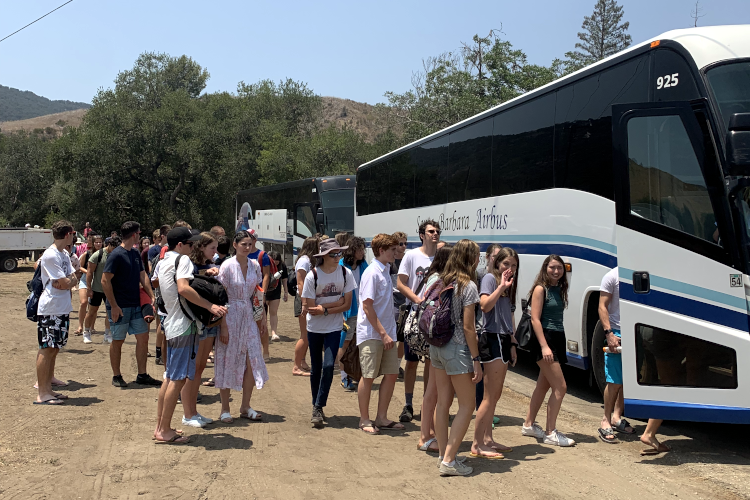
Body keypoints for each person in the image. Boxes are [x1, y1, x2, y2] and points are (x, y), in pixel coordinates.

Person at [154, 227, 227, 443]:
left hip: (171, 323)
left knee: (169, 378)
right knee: (177, 379)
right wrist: (211, 306)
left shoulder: (164, 261)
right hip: (184, 325)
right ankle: (164, 430)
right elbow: (184, 288)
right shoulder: (183, 260)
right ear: (180, 245)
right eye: (189, 243)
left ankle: (161, 427)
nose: (192, 246)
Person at [432, 239, 483, 476]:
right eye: (477, 255)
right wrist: (476, 359)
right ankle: (449, 461)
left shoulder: (442, 280)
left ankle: (444, 454)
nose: (479, 260)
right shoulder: (469, 286)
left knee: (443, 402)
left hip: (438, 347)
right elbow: (469, 327)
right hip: (458, 349)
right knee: (467, 404)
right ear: (470, 258)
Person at [215, 230, 269, 423]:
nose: (247, 247)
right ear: (235, 245)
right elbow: (220, 296)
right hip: (230, 316)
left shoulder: (254, 265)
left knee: (252, 361)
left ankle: (245, 406)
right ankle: (224, 408)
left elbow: (257, 293)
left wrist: (261, 317)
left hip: (248, 315)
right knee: (227, 360)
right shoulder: (227, 266)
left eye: (250, 244)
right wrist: (222, 325)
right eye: (243, 244)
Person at [302, 238, 356, 428]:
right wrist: (335, 304)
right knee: (316, 368)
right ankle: (316, 406)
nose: (337, 257)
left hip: (334, 327)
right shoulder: (313, 276)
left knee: (328, 366)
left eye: (339, 253)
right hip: (314, 328)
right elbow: (310, 307)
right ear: (323, 256)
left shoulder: (345, 273)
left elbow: (347, 304)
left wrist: (324, 309)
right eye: (333, 254)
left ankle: (318, 405)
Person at [522, 254, 575, 447]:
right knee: (560, 387)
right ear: (545, 268)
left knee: (543, 386)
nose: (556, 271)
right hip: (545, 338)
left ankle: (528, 424)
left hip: (557, 337)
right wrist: (544, 346)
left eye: (559, 268)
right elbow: (535, 319)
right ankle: (550, 432)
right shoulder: (540, 288)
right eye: (552, 267)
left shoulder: (559, 288)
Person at [472, 247, 520, 458]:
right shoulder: (491, 279)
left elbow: (507, 314)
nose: (509, 269)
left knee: (496, 394)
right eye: (506, 264)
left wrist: (512, 341)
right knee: (489, 396)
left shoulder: (509, 284)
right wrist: (501, 286)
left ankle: (487, 438)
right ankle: (476, 443)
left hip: (503, 338)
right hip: (490, 337)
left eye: (514, 265)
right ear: (497, 263)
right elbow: (484, 306)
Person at [101, 221, 160, 388]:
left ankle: (142, 374)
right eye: (139, 233)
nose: (140, 235)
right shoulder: (116, 255)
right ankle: (117, 375)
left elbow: (143, 276)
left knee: (143, 338)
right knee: (118, 340)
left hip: (136, 304)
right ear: (134, 235)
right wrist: (113, 305)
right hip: (119, 306)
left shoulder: (135, 253)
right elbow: (105, 281)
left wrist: (151, 295)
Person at [356, 233, 404, 434]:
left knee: (391, 374)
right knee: (368, 376)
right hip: (372, 333)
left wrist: (388, 333)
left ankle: (382, 417)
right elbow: (367, 307)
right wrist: (383, 333)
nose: (397, 252)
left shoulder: (384, 270)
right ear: (381, 251)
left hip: (387, 332)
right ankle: (364, 419)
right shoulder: (372, 273)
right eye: (392, 249)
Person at [397, 219, 440, 423]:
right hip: (415, 316)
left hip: (434, 318)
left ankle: (427, 405)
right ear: (422, 234)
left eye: (437, 231)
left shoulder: (441, 258)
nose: (435, 234)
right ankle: (408, 404)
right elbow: (400, 283)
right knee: (412, 362)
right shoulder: (411, 256)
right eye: (431, 231)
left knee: (431, 364)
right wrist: (416, 299)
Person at [180, 232, 222, 428]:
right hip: (197, 320)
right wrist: (207, 274)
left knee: (201, 367)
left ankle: (194, 411)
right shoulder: (190, 264)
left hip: (210, 320)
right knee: (194, 369)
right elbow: (187, 285)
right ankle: (188, 414)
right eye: (212, 248)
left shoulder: (208, 264)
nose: (215, 252)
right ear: (201, 247)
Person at [34, 220, 78, 405]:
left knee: (55, 347)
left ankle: (49, 388)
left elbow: (72, 278)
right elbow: (63, 282)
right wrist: (68, 280)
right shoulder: (51, 255)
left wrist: (68, 280)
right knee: (47, 348)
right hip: (51, 308)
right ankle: (43, 392)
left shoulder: (64, 254)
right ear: (68, 234)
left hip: (61, 307)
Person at [416, 245, 452, 453]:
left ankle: (427, 432)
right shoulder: (439, 280)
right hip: (436, 337)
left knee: (432, 389)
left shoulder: (433, 276)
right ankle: (425, 435)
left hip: (431, 336)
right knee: (433, 391)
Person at [598, 266, 634, 442]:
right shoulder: (612, 276)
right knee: (614, 380)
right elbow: (602, 306)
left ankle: (617, 417)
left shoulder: (641, 273)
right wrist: (609, 334)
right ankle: (606, 419)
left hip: (635, 330)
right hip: (617, 332)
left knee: (627, 379)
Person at [339, 236, 367, 391]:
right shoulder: (342, 266)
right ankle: (344, 375)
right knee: (345, 342)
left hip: (362, 312)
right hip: (347, 312)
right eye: (360, 249)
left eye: (363, 249)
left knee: (359, 342)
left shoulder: (363, 265)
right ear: (352, 250)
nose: (363, 252)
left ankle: (354, 372)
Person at [292, 236, 318, 376]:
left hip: (308, 298)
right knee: (305, 335)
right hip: (303, 299)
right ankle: (296, 366)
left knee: (308, 333)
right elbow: (300, 283)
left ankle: (301, 361)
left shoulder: (309, 261)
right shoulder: (304, 261)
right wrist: (304, 303)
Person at [245, 229, 272, 361]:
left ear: (255, 240)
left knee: (261, 321)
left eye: (250, 238)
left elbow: (266, 275)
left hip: (257, 293)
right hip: (244, 293)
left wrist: (263, 292)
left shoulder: (262, 255)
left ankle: (265, 350)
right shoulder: (240, 253)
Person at [85, 236, 118, 343]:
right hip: (97, 288)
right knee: (92, 311)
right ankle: (86, 332)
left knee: (110, 312)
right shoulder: (98, 255)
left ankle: (107, 334)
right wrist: (89, 288)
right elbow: (89, 272)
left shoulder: (117, 255)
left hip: (110, 289)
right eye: (114, 248)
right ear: (109, 245)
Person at [77, 234, 102, 342]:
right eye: (96, 242)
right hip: (84, 280)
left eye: (100, 242)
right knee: (83, 303)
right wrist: (88, 272)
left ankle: (91, 326)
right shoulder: (87, 254)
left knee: (94, 306)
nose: (98, 244)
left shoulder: (104, 254)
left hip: (96, 282)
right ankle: (80, 326)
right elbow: (79, 267)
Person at [390, 231, 407, 378]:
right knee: (392, 335)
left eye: (405, 243)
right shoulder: (390, 262)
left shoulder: (408, 260)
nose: (403, 246)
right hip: (393, 302)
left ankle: (396, 364)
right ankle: (389, 364)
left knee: (403, 337)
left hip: (406, 302)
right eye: (400, 244)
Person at [265, 251, 289, 342]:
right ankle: (263, 333)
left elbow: (285, 279)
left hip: (276, 292)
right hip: (264, 292)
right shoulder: (265, 265)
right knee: (263, 314)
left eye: (277, 260)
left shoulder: (282, 266)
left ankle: (274, 333)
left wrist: (286, 292)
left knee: (273, 312)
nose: (275, 262)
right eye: (273, 260)